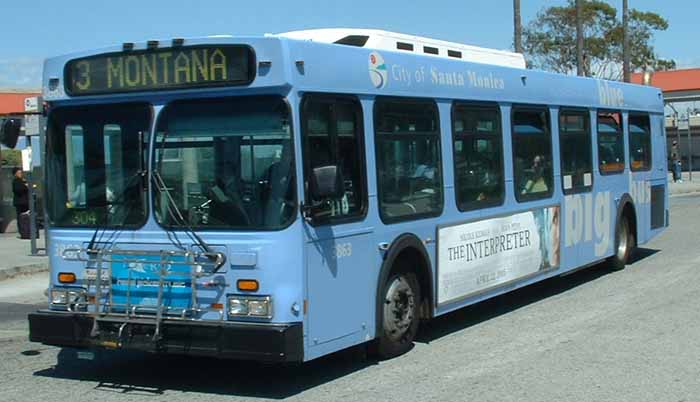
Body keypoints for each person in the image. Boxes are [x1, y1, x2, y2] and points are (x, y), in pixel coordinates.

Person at [12, 167, 29, 236]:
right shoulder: (16, 181)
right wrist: (25, 186)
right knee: (20, 217)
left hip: (24, 202)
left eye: (21, 173)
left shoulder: (22, 180)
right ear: (15, 174)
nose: (20, 174)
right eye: (19, 173)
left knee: (25, 216)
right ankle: (23, 231)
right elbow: (18, 190)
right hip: (20, 202)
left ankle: (26, 230)